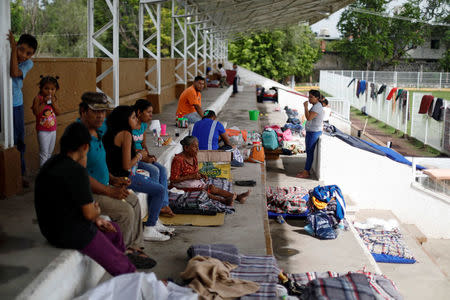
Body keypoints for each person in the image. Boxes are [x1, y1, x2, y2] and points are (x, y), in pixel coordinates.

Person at [34, 122, 152, 276]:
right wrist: (95, 214)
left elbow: (64, 202)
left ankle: (120, 260)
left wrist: (97, 220)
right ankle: (127, 273)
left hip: (49, 230)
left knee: (115, 230)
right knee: (124, 266)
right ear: (84, 148)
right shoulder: (77, 171)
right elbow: (89, 214)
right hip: (71, 233)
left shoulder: (50, 164)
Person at [79, 92, 152, 253]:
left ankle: (135, 246)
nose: (100, 116)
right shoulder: (79, 138)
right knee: (125, 212)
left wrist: (113, 180)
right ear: (83, 112)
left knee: (134, 201)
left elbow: (100, 167)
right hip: (88, 194)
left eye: (103, 112)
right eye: (95, 111)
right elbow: (81, 177)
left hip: (105, 186)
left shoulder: (97, 134)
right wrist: (110, 191)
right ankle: (122, 253)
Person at [103, 106, 174, 242]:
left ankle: (154, 221)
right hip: (123, 177)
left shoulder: (113, 132)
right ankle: (149, 227)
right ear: (125, 120)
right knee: (159, 190)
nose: (137, 120)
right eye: (133, 117)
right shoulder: (126, 134)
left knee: (155, 182)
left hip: (117, 174)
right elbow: (126, 165)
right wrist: (140, 156)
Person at [170, 136, 250, 205]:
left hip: (191, 181)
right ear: (186, 148)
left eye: (197, 146)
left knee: (212, 187)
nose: (197, 149)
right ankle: (223, 201)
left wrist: (201, 174)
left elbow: (194, 172)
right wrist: (192, 176)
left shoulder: (193, 157)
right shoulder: (178, 160)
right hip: (180, 184)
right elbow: (173, 179)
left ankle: (237, 197)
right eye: (194, 147)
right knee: (202, 191)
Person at [132, 99, 174, 217]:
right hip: (134, 158)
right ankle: (154, 205)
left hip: (142, 156)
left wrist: (149, 155)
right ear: (139, 112)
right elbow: (129, 150)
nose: (151, 115)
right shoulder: (130, 126)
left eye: (152, 112)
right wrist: (145, 158)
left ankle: (163, 204)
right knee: (154, 170)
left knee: (162, 169)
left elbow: (143, 144)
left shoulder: (143, 125)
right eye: (148, 112)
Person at [7, 31, 38, 186]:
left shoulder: (28, 64)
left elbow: (14, 73)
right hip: (4, 105)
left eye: (29, 53)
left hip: (16, 105)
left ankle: (20, 174)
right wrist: (12, 49)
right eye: (21, 50)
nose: (24, 55)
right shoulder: (6, 53)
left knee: (19, 140)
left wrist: (13, 49)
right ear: (16, 45)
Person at [31, 75, 61, 166]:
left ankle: (47, 172)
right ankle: (43, 176)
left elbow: (58, 112)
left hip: (53, 130)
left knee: (49, 154)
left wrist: (53, 103)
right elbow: (36, 112)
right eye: (46, 88)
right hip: (43, 130)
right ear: (41, 88)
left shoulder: (54, 99)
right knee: (43, 154)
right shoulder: (38, 98)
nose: (49, 91)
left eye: (52, 89)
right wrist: (44, 102)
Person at [297, 90, 324, 179]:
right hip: (311, 131)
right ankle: (306, 170)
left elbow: (308, 118)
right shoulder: (315, 106)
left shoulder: (317, 107)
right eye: (309, 96)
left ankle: (306, 172)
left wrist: (305, 107)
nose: (309, 98)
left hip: (314, 132)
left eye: (311, 97)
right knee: (308, 152)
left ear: (317, 98)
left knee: (310, 152)